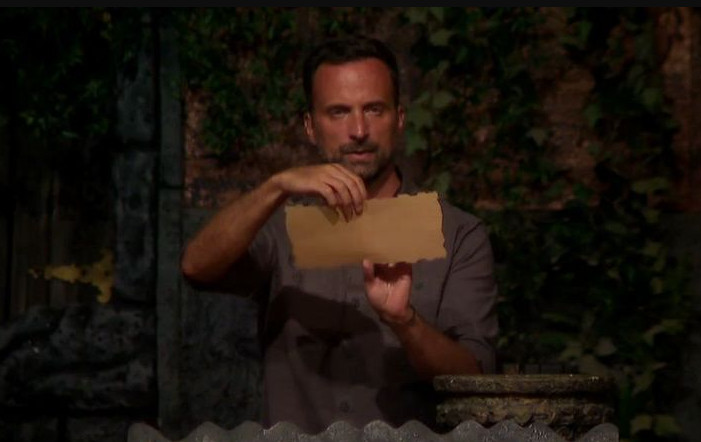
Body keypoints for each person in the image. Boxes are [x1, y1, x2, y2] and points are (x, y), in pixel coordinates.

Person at [180, 35, 499, 433]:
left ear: (399, 118)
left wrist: (405, 322)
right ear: (310, 126)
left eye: (374, 109)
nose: (359, 130)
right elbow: (196, 267)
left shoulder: (458, 233)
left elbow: (476, 378)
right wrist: (275, 186)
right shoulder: (281, 226)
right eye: (339, 112)